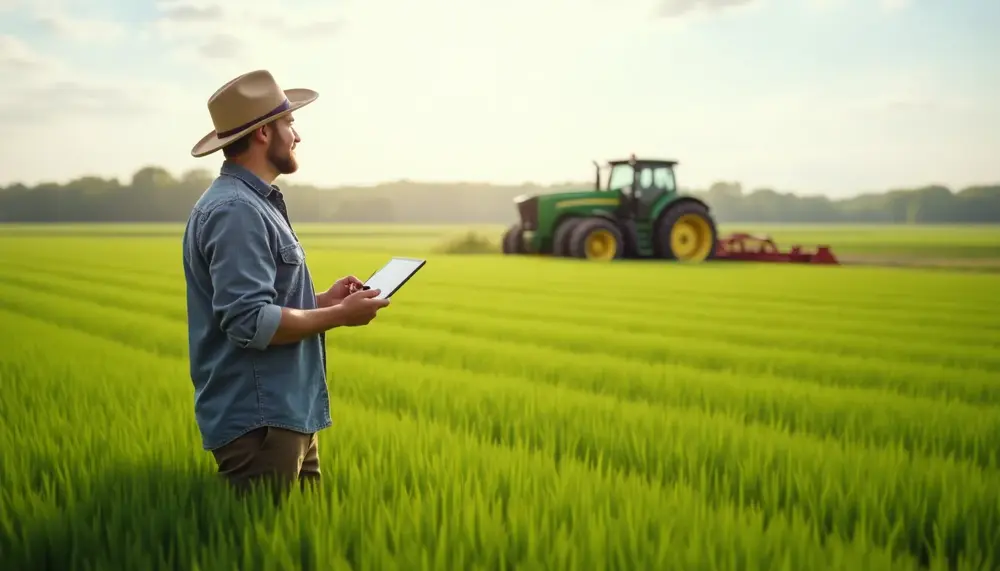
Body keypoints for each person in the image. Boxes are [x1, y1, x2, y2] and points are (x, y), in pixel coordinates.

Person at [181, 69, 390, 496]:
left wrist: (321, 301)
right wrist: (338, 316)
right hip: (262, 423)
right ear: (262, 133)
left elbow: (264, 303)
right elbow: (250, 322)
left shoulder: (253, 203)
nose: (297, 135)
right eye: (289, 123)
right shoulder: (237, 211)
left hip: (286, 412)